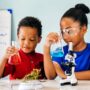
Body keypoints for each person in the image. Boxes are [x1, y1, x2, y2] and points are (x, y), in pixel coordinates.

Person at [44, 3, 90, 80]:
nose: (65, 37)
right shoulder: (61, 52)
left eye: (69, 31)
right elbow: (51, 76)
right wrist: (46, 47)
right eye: (63, 32)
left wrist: (66, 76)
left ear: (83, 29)